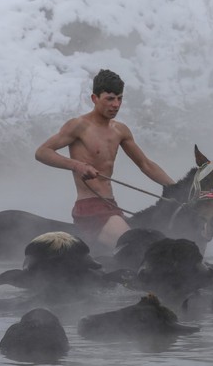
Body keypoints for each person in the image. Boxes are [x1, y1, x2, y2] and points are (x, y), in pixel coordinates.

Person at [35, 69, 175, 251]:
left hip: (111, 206)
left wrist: (176, 188)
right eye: (109, 98)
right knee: (137, 248)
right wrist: (77, 165)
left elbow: (145, 164)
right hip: (89, 208)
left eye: (119, 98)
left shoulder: (121, 130)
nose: (116, 104)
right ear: (94, 98)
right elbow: (42, 152)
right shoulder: (79, 126)